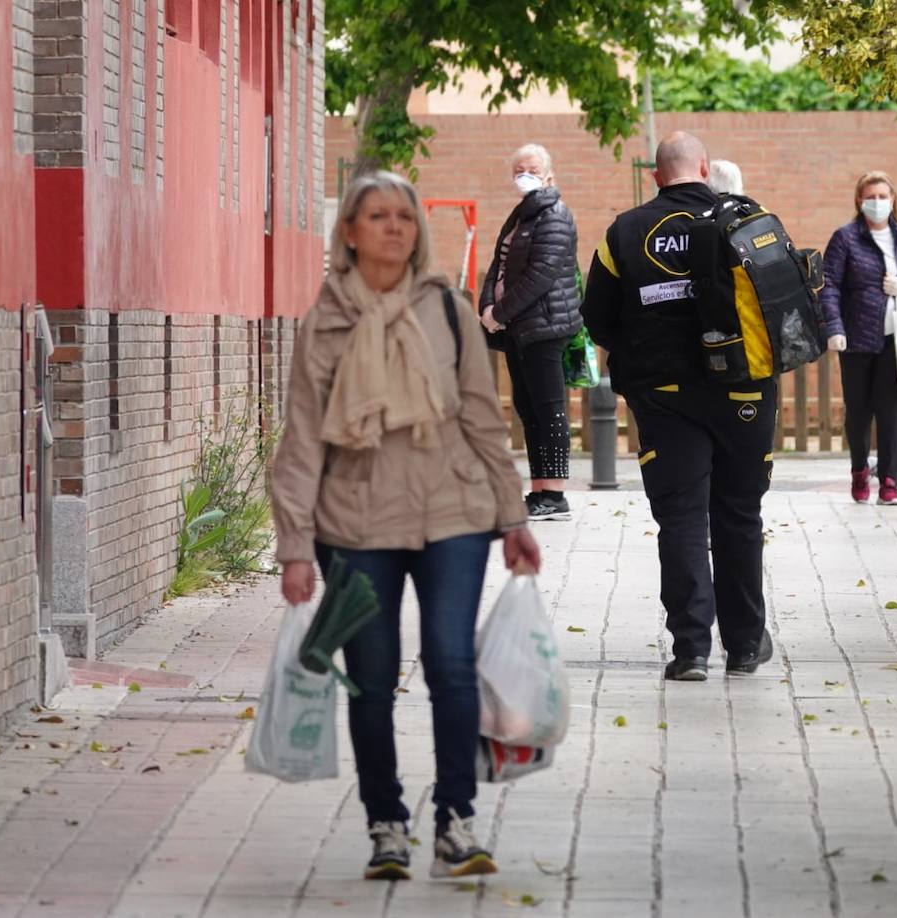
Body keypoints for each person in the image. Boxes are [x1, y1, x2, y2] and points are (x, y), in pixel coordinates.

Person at [271, 170, 542, 882]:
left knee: (451, 665)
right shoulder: (325, 321)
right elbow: (301, 441)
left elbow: (484, 417)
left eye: (405, 216)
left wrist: (513, 514)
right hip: (354, 525)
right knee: (371, 676)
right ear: (350, 233)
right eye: (377, 215)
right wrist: (295, 547)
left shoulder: (449, 311)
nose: (394, 226)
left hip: (453, 513)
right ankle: (386, 823)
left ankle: (456, 817)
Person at [581, 131, 775, 683]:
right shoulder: (747, 218)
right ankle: (743, 647)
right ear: (706, 168)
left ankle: (691, 650)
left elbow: (596, 315)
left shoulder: (625, 231)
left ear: (656, 174)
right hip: (744, 391)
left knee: (681, 517)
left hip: (665, 398)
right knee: (739, 514)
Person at [479, 143, 583, 521]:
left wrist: (500, 312)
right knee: (528, 408)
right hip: (519, 328)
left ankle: (555, 495)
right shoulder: (520, 216)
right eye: (519, 168)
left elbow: (541, 276)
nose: (525, 173)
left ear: (549, 174)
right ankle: (539, 490)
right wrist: (487, 307)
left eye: (533, 168)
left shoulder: (554, 216)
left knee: (549, 409)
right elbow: (499, 267)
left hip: (544, 325)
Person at [820, 171, 897, 506]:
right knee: (858, 412)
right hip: (856, 339)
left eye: (883, 197)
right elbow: (830, 286)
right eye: (871, 197)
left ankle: (889, 484)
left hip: (893, 340)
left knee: (891, 411)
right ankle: (858, 471)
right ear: (859, 200)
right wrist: (835, 329)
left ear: (893, 199)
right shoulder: (845, 238)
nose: (878, 203)